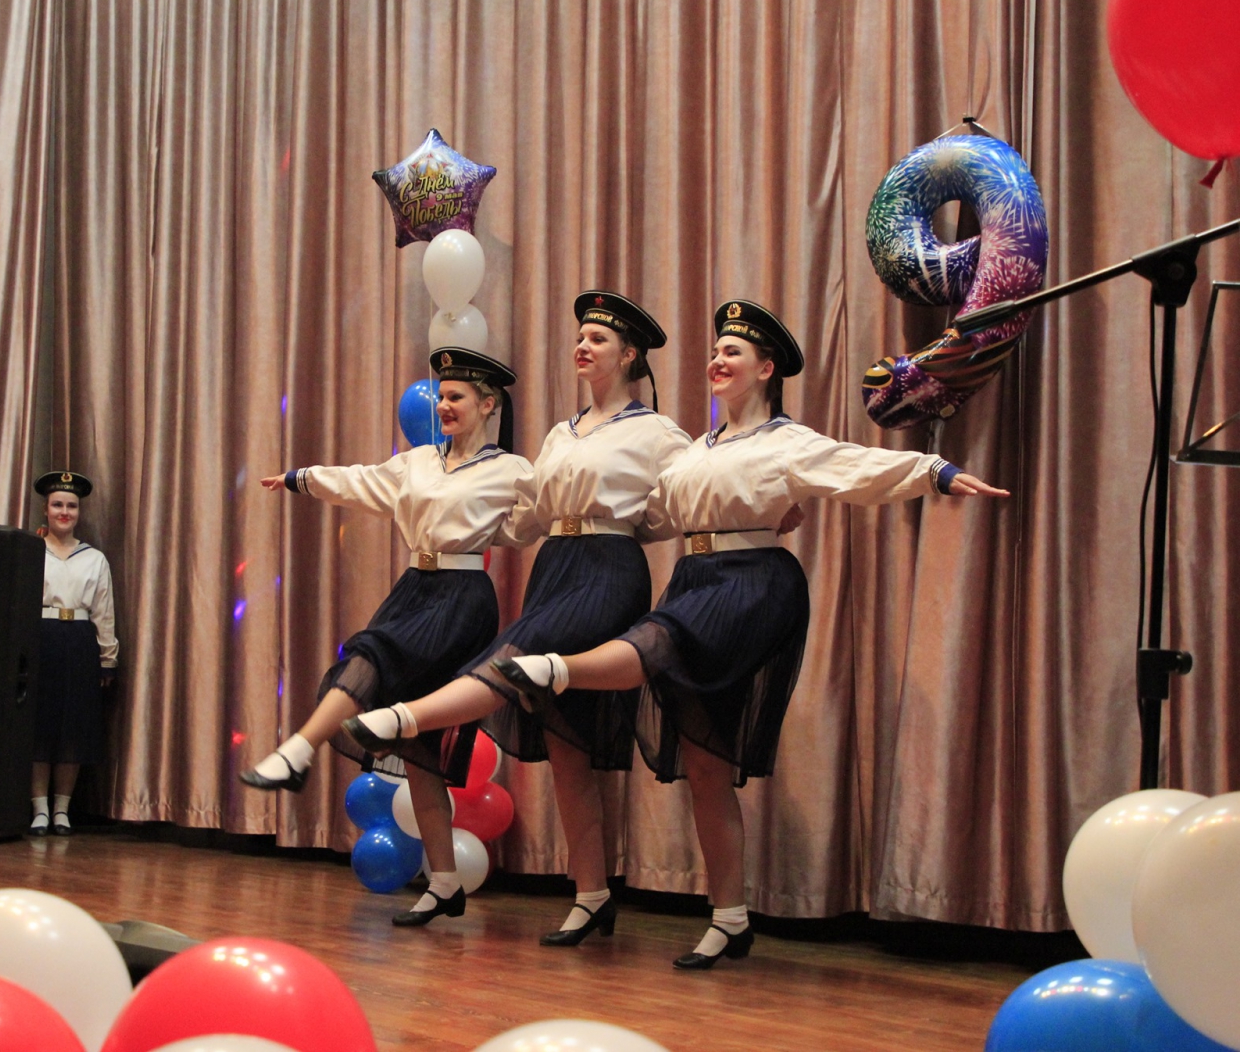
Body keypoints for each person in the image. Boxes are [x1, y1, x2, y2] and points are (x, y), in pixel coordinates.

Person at [491, 299, 1008, 969]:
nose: (717, 359)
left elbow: (851, 466)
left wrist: (933, 472)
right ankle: (730, 919)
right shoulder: (694, 452)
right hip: (695, 577)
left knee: (658, 640)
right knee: (706, 764)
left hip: (752, 580)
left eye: (732, 352)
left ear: (765, 369)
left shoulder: (785, 441)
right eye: (715, 350)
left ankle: (556, 668)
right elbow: (652, 514)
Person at [342, 291, 696, 945]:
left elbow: (689, 491)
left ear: (629, 355)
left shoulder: (657, 431)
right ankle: (592, 896)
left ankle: (405, 718)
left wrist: (634, 528)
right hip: (555, 566)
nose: (582, 345)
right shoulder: (562, 433)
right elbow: (526, 518)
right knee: (567, 745)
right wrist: (459, 522)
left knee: (515, 661)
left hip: (607, 570)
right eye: (580, 336)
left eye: (597, 338)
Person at [242, 345, 532, 926]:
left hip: (462, 597)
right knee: (421, 750)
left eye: (457, 397)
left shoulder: (512, 470)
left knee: (371, 654)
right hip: (414, 589)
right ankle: (445, 883)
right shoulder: (418, 462)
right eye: (441, 396)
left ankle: (298, 750)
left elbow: (536, 518)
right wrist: (301, 479)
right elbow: (362, 482)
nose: (444, 405)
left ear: (488, 404)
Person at [30, 470, 118, 837]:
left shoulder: (94, 559)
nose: (64, 512)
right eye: (57, 505)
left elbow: (103, 612)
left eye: (71, 506)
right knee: (40, 724)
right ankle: (39, 809)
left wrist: (107, 659)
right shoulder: (31, 551)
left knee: (73, 726)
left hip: (79, 641)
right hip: (41, 637)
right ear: (46, 510)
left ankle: (62, 809)